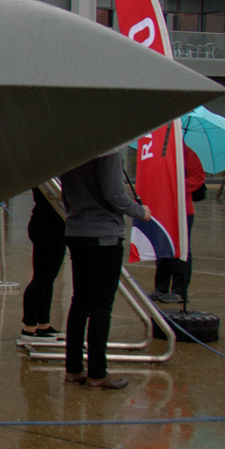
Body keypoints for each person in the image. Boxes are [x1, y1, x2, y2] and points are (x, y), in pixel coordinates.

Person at [61, 150, 150, 390]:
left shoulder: (71, 152)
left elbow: (66, 195)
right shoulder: (108, 152)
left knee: (80, 303)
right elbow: (114, 194)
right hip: (103, 236)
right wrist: (140, 211)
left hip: (77, 231)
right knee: (101, 306)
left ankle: (73, 369)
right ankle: (98, 373)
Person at [153, 143, 205, 305]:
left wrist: (176, 186)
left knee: (181, 250)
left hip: (182, 210)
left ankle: (180, 290)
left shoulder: (187, 153)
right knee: (163, 249)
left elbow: (198, 178)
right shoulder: (158, 152)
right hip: (163, 210)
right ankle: (161, 287)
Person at [20, 187, 65, 340]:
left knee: (49, 276)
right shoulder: (49, 177)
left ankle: (43, 323)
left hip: (52, 225)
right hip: (47, 226)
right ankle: (29, 326)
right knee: (42, 277)